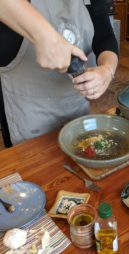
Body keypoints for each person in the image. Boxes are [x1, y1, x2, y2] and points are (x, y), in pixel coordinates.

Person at [0, 0, 118, 145]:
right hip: (29, 116)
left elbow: (105, 37)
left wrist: (107, 69)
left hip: (77, 109)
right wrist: (44, 35)